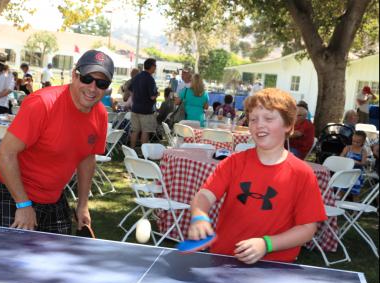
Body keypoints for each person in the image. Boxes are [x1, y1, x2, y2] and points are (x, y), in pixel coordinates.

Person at [187, 88, 326, 264]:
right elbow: (205, 195)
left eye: (268, 118)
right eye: (253, 119)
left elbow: (307, 228)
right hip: (223, 258)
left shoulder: (302, 174)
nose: (259, 124)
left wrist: (266, 244)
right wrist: (199, 215)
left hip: (274, 267)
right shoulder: (234, 163)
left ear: (288, 125)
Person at [0, 49, 113, 234]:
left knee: (58, 257)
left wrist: (83, 205)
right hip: (15, 189)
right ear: (74, 75)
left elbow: (87, 158)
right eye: (87, 79)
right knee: (14, 260)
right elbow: (4, 154)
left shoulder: (101, 115)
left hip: (53, 194)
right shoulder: (42, 104)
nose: (92, 88)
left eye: (101, 83)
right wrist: (23, 205)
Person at [128, 58, 159, 148]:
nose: (155, 68)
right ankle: (144, 153)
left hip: (135, 108)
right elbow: (152, 96)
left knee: (135, 131)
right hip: (147, 110)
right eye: (155, 66)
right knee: (145, 131)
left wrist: (136, 99)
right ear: (152, 66)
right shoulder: (150, 79)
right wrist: (157, 93)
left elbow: (130, 90)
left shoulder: (137, 76)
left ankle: (132, 151)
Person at [340, 131, 368, 201]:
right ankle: (338, 204)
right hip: (347, 172)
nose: (355, 143)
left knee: (355, 193)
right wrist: (345, 160)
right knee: (341, 190)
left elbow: (364, 163)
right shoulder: (348, 148)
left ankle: (356, 210)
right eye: (353, 141)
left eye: (358, 142)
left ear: (363, 142)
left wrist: (357, 162)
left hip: (356, 174)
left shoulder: (363, 151)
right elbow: (341, 157)